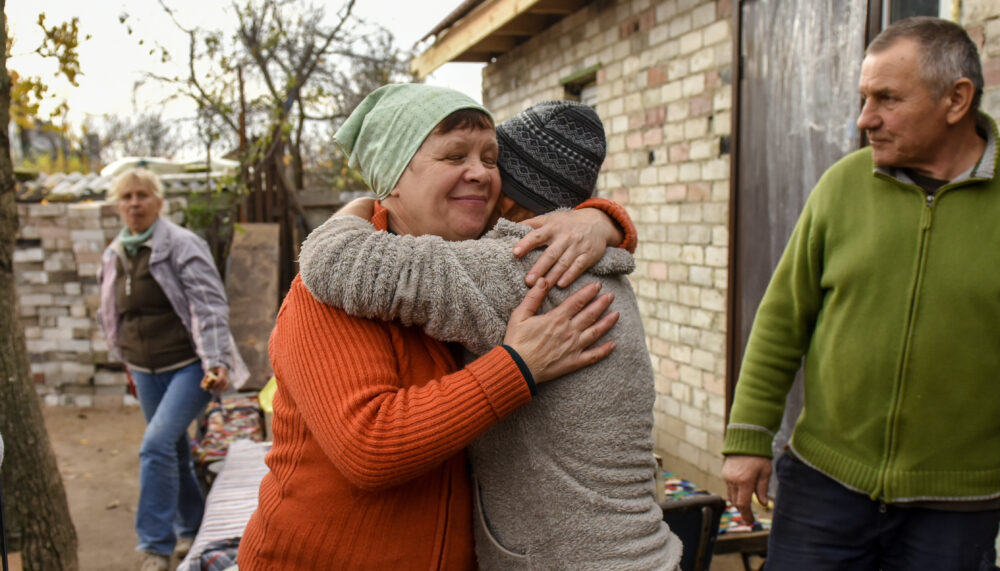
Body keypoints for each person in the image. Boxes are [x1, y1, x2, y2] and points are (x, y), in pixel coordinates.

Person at [238, 84, 625, 570]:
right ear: (394, 176)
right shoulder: (332, 294)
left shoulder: (477, 265)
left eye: (490, 158)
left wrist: (598, 220)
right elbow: (370, 447)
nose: (481, 174)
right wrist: (517, 367)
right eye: (454, 155)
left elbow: (549, 222)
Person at [721, 17, 1000, 570]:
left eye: (887, 99)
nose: (864, 119)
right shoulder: (842, 186)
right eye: (864, 97)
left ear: (956, 99)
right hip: (823, 486)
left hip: (958, 507)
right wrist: (747, 438)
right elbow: (781, 322)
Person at [97, 167, 249, 571]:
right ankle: (194, 526)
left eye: (142, 195)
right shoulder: (116, 253)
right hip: (145, 370)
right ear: (117, 205)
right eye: (126, 197)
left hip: (190, 367)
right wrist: (124, 357)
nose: (134, 203)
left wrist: (217, 361)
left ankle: (155, 546)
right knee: (174, 449)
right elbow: (112, 313)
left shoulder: (181, 244)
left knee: (156, 444)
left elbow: (209, 305)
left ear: (159, 202)